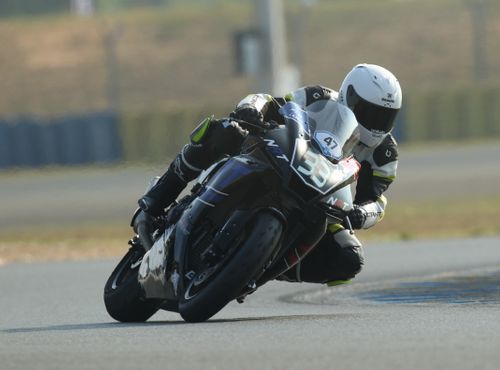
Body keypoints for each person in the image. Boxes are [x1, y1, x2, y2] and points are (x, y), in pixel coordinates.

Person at [135, 63, 402, 286]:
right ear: (350, 97)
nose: (377, 125)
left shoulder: (385, 153)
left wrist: (361, 214)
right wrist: (251, 109)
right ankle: (157, 198)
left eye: (386, 117)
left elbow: (376, 201)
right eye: (371, 113)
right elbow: (270, 102)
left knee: (349, 258)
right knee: (227, 130)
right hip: (278, 157)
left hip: (321, 200)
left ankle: (259, 266)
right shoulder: (319, 97)